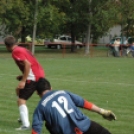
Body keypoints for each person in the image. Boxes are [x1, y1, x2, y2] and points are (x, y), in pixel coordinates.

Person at [31, 78, 116, 134]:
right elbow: (83, 103)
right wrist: (102, 111)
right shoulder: (63, 92)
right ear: (51, 88)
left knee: (48, 125)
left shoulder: (40, 108)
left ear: (37, 93)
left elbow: (36, 130)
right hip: (86, 126)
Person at [4, 36, 45, 130]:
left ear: (7, 46)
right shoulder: (22, 49)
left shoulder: (15, 52)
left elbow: (28, 64)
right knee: (18, 91)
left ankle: (25, 124)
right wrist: (23, 76)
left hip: (33, 77)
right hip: (39, 74)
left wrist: (23, 80)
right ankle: (22, 116)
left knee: (21, 100)